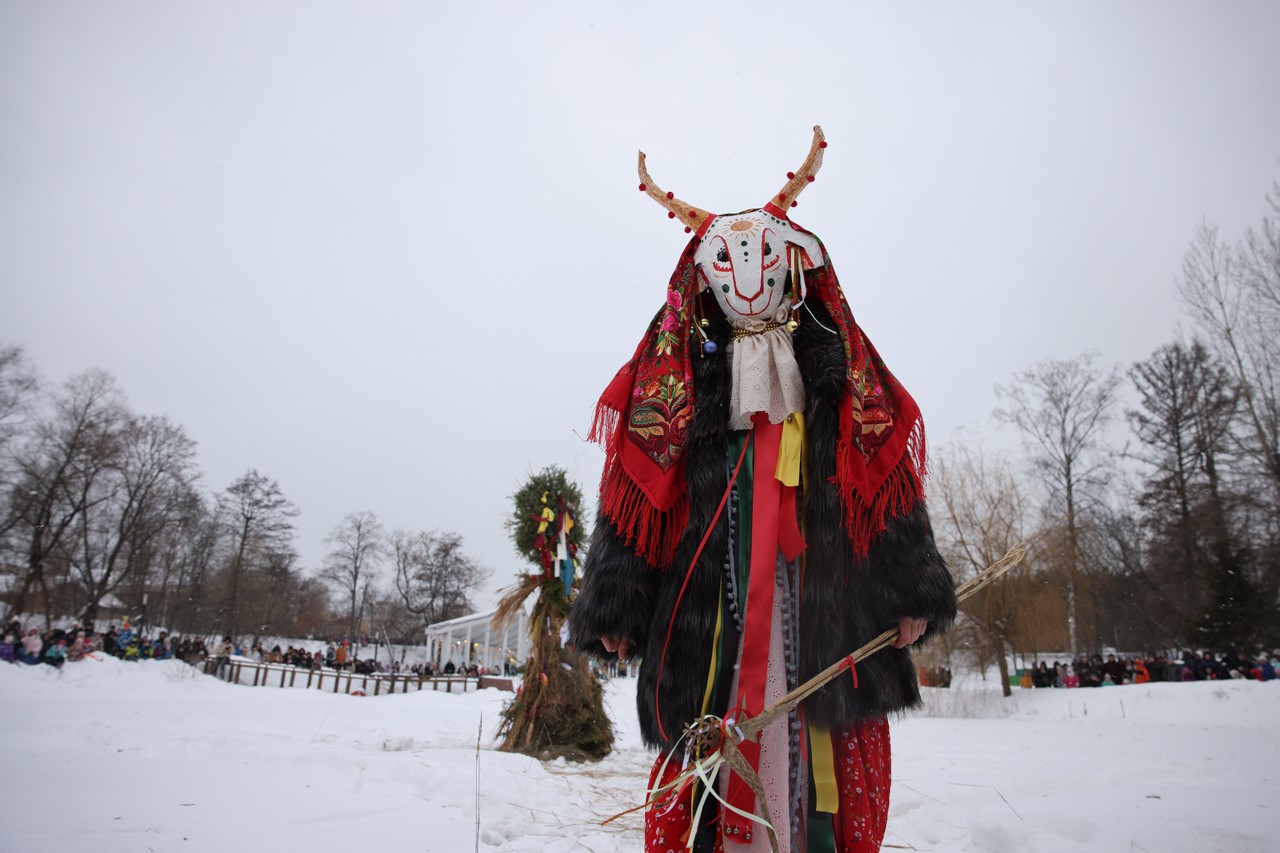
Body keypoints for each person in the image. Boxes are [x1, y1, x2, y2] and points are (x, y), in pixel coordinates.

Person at [568, 127, 956, 853]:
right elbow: (640, 485)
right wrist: (616, 602)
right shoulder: (679, 376)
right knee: (704, 776)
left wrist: (912, 590)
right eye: (726, 267)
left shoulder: (836, 367)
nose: (746, 282)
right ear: (703, 277)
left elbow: (879, 474)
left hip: (827, 608)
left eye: (764, 263)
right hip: (708, 617)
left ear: (795, 266)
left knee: (830, 782)